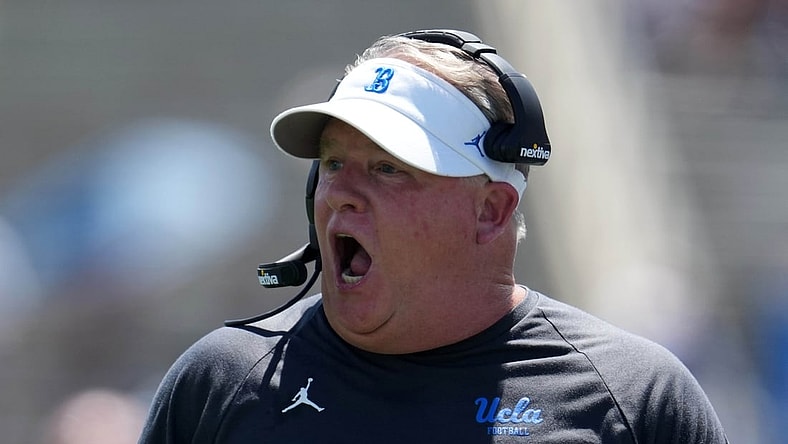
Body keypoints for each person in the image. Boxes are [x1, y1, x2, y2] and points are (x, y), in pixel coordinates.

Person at [138, 29, 729, 443]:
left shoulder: (635, 398)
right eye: (335, 164)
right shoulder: (220, 381)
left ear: (491, 211)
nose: (341, 192)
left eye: (389, 168)